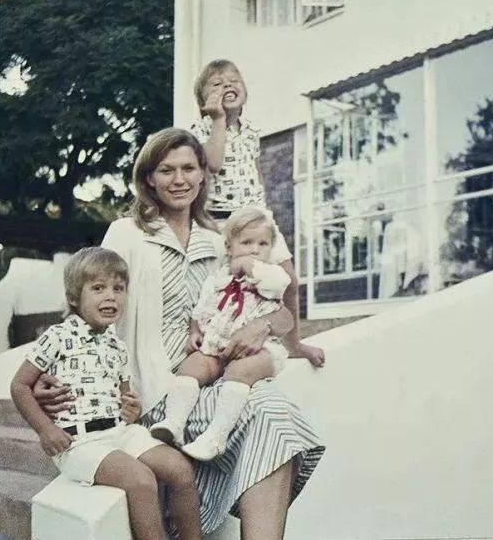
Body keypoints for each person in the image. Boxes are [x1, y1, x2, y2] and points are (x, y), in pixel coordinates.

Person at [88, 127, 324, 539]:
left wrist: (263, 326)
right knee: (269, 411)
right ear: (149, 178)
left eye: (189, 169)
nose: (179, 179)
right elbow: (91, 308)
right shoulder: (127, 233)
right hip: (158, 392)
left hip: (213, 379)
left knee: (273, 411)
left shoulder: (220, 242)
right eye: (167, 170)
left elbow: (281, 307)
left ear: (202, 174)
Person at [10, 247, 202, 540]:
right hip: (79, 442)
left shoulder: (117, 347)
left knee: (180, 469)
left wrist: (131, 408)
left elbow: (126, 399)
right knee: (140, 480)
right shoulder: (57, 336)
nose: (111, 296)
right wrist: (45, 430)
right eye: (98, 288)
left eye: (118, 288)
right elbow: (20, 386)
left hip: (120, 432)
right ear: (74, 297)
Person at [191, 58, 326, 368]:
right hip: (225, 221)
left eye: (233, 80)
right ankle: (219, 345)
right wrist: (218, 119)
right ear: (203, 101)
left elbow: (255, 172)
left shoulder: (251, 132)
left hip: (258, 217)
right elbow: (213, 163)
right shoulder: (202, 129)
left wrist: (265, 208)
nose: (227, 85)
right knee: (233, 285)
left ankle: (294, 343)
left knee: (289, 281)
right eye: (217, 84)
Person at [150, 205, 294, 462]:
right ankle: (174, 422)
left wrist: (249, 266)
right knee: (193, 365)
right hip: (218, 344)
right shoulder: (219, 277)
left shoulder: (271, 274)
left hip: (261, 350)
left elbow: (280, 284)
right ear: (229, 247)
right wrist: (195, 330)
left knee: (239, 371)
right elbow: (203, 305)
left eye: (263, 244)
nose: (255, 249)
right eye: (246, 243)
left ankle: (216, 438)